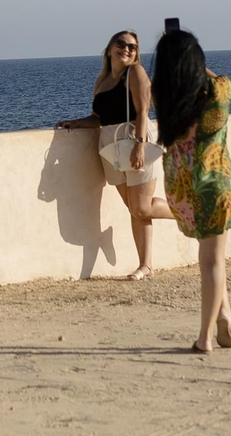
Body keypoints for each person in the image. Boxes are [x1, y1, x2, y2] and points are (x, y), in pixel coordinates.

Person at [151, 26, 231, 353]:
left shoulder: (164, 97)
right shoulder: (216, 95)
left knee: (209, 256)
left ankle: (224, 315)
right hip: (214, 186)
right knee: (213, 261)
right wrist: (195, 61)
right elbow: (220, 79)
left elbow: (169, 79)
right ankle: (205, 337)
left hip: (181, 190)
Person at [56, 30, 163, 280]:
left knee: (141, 207)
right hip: (111, 146)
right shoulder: (102, 80)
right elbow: (99, 118)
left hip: (136, 139)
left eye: (133, 47)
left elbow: (142, 110)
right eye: (121, 43)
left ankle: (185, 214)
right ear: (109, 48)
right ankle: (146, 266)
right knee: (136, 209)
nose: (126, 49)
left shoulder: (135, 73)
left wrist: (139, 145)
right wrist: (78, 122)